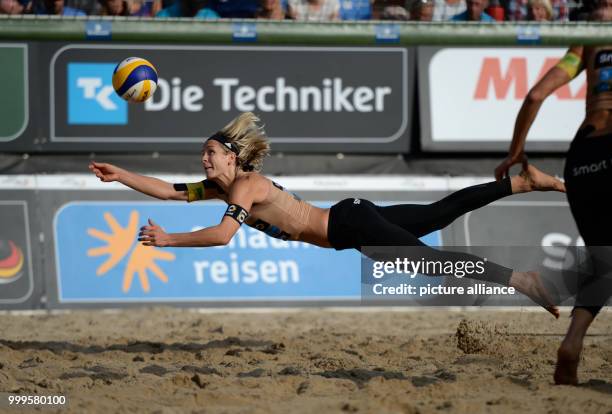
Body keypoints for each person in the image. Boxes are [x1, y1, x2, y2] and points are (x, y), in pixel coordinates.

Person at [90, 112, 565, 317]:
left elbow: (221, 237)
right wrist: (122, 174)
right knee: (440, 213)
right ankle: (523, 181)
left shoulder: (247, 186)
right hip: (349, 221)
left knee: (429, 260)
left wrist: (170, 242)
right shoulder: (221, 187)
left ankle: (521, 280)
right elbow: (168, 192)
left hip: (349, 224)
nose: (205, 160)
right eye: (203, 154)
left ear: (234, 157)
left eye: (211, 153)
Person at [494, 0, 612, 386]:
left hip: (584, 157)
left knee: (602, 258)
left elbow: (534, 96)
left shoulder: (585, 44)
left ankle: (572, 343)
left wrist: (515, 150)